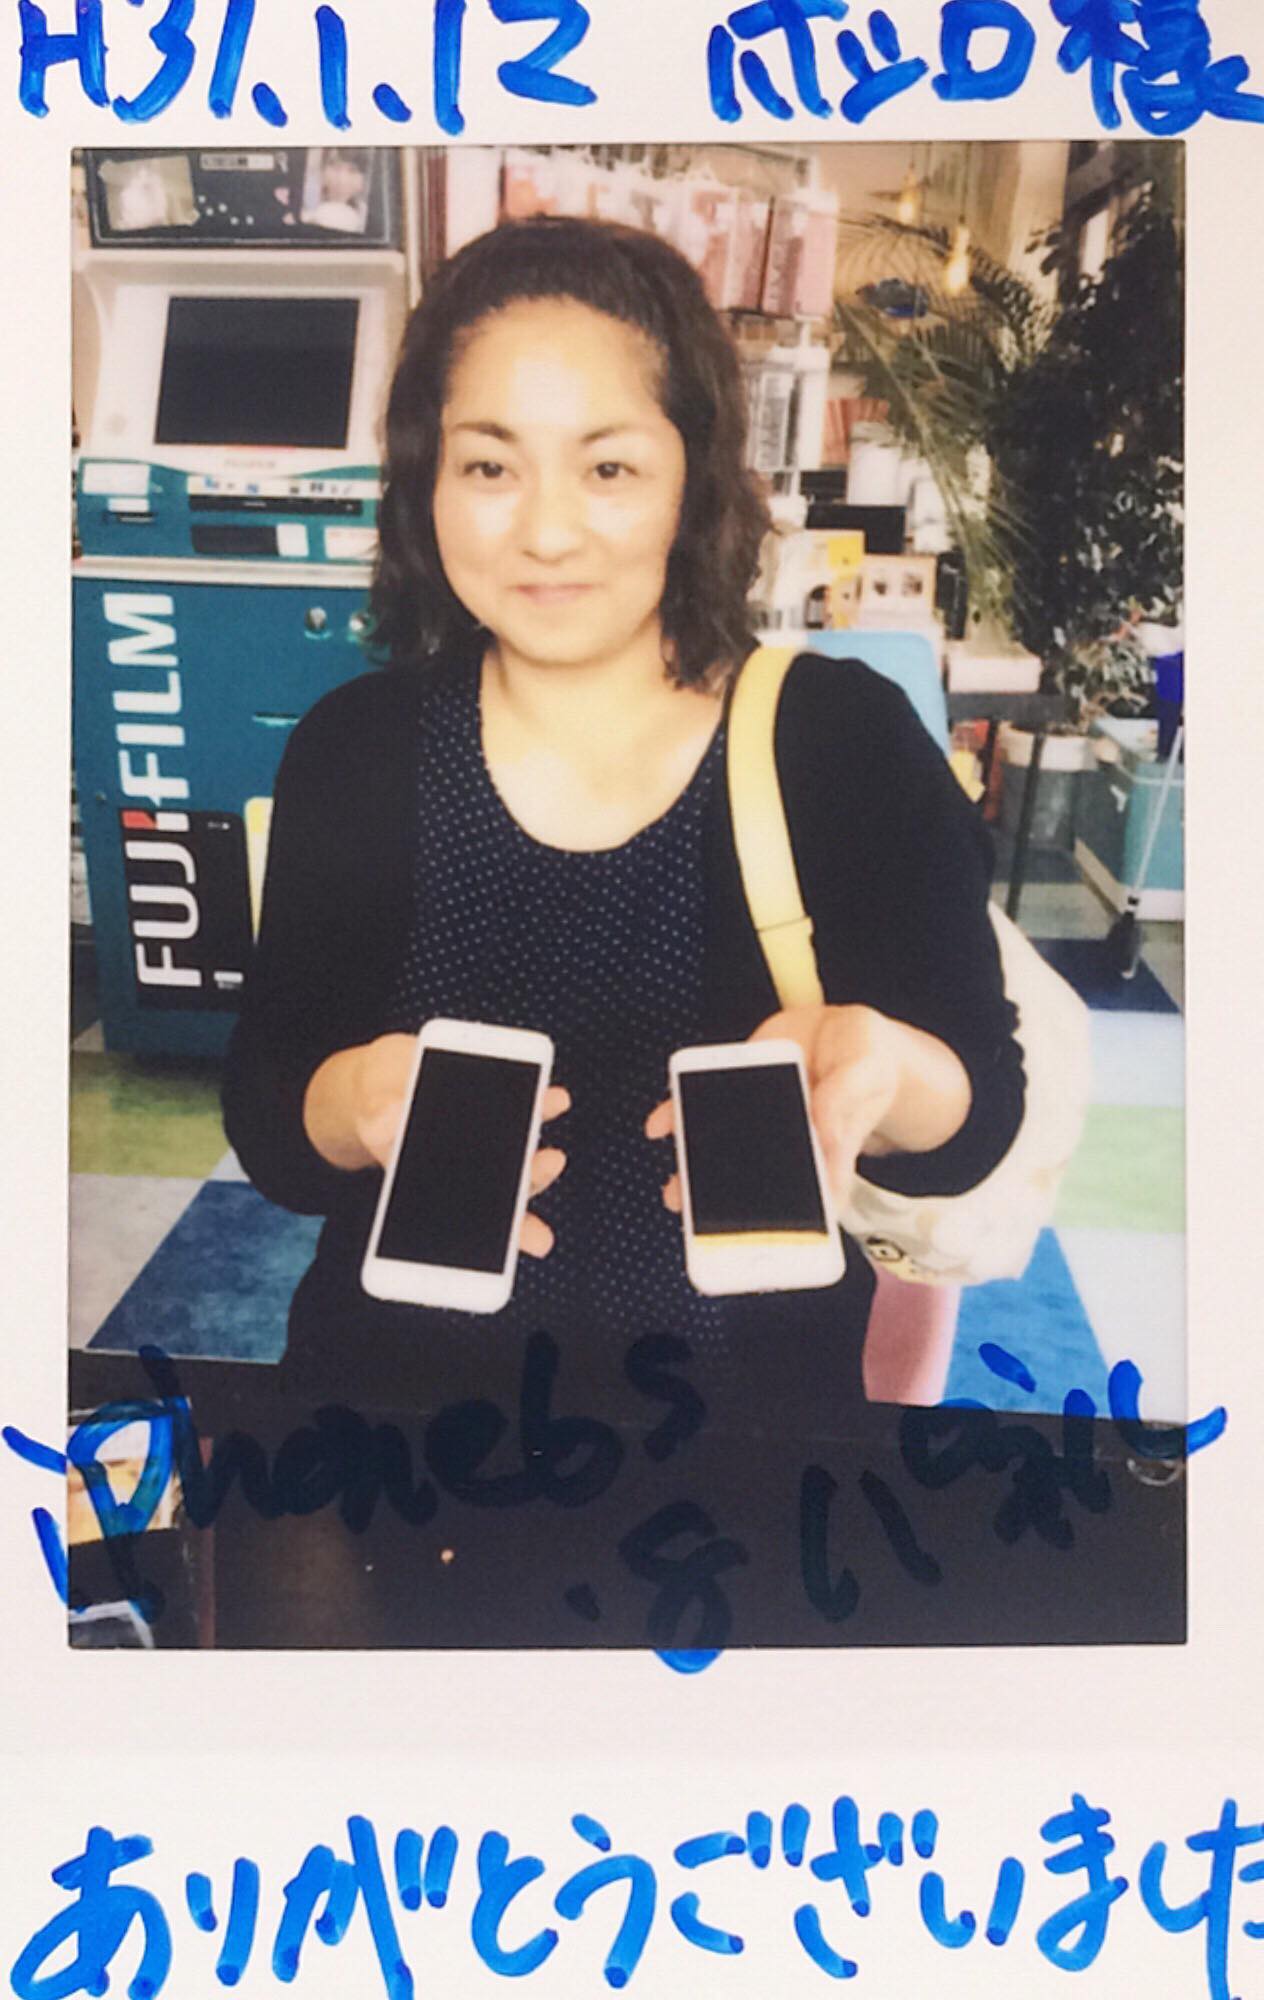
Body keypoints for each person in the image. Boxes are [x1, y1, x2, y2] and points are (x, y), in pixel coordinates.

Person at [222, 214, 1025, 1435]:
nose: (545, 531)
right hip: (395, 1424)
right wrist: (350, 1099)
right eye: (488, 467)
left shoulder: (839, 742)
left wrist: (886, 1067)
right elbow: (271, 1115)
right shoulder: (358, 747)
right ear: (425, 480)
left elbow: (974, 1123)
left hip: (745, 1438)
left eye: (607, 468)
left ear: (691, 476)